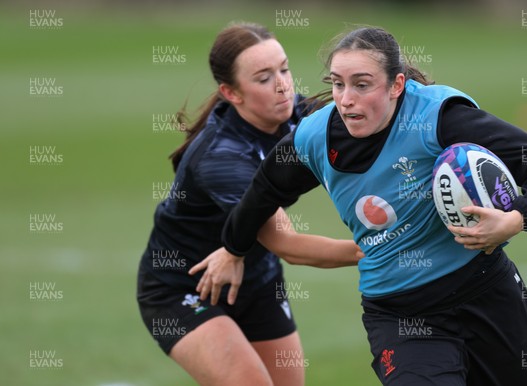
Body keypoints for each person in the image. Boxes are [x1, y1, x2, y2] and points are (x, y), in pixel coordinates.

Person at [191, 27, 527, 385]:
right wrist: (234, 247)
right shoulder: (314, 137)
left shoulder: (439, 118)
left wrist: (517, 219)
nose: (345, 99)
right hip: (401, 313)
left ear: (396, 85)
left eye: (362, 85)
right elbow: (264, 190)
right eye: (337, 85)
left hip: (487, 292)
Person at [136, 22, 362, 386]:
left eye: (284, 69)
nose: (282, 85)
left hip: (258, 281)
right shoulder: (221, 157)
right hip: (183, 287)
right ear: (232, 92)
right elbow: (288, 245)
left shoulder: (299, 115)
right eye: (263, 78)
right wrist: (378, 249)